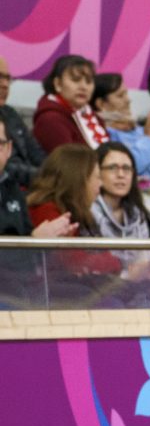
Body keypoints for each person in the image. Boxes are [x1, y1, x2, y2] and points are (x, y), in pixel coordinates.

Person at [27, 144, 133, 305]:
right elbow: (75, 261)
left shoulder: (77, 211)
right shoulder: (46, 210)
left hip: (69, 286)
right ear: (79, 179)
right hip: (44, 294)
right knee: (113, 303)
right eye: (96, 177)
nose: (101, 184)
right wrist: (117, 263)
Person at [0, 115, 77, 307]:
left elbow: (29, 261)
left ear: (9, 149)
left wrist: (49, 241)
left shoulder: (13, 189)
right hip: (8, 295)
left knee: (90, 297)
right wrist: (34, 241)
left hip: (18, 288)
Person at [91, 73, 150, 194]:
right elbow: (126, 168)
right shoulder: (103, 134)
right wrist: (149, 140)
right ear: (101, 104)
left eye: (126, 94)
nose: (128, 100)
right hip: (148, 202)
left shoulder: (140, 130)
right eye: (120, 96)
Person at [91, 142, 150, 300]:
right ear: (97, 172)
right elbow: (96, 264)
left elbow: (144, 256)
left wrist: (149, 267)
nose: (121, 175)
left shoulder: (137, 213)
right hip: (102, 284)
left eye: (127, 169)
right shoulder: (90, 211)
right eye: (112, 168)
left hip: (136, 281)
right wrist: (129, 274)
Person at [32, 54, 109, 153]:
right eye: (76, 80)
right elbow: (68, 165)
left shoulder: (95, 118)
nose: (83, 87)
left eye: (88, 81)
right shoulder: (50, 119)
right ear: (58, 84)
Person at [0, 55, 48, 187]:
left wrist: (53, 173)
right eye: (0, 77)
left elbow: (36, 152)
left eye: (7, 79)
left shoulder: (10, 113)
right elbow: (4, 166)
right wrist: (45, 177)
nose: (5, 85)